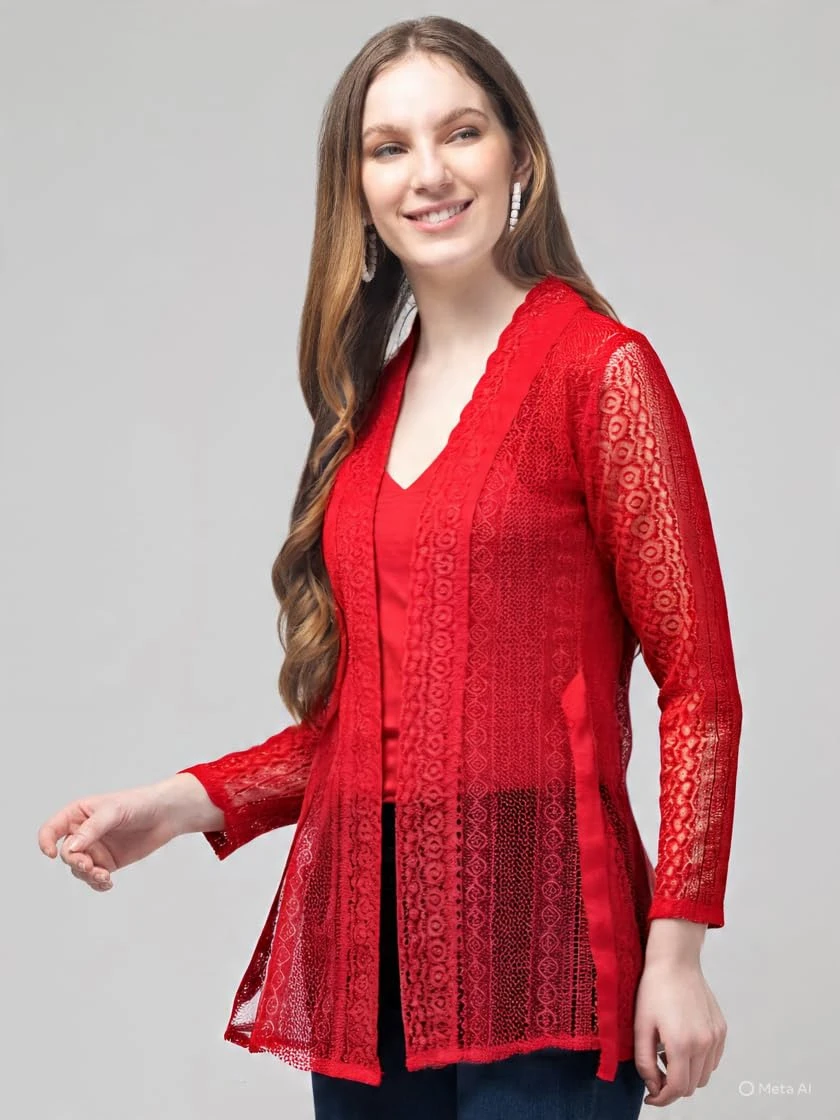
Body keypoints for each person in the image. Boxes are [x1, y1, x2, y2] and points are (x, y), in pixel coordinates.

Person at [37, 15, 743, 1120]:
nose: (429, 174)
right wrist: (173, 807)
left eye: (461, 132)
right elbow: (365, 731)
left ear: (520, 154)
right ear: (358, 190)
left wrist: (680, 950)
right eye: (389, 147)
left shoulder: (599, 372)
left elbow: (699, 686)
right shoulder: (362, 420)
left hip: (543, 941)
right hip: (366, 957)